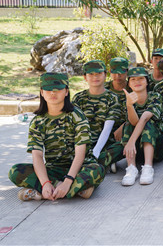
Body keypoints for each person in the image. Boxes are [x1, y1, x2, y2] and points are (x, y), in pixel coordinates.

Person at [8, 73, 105, 201]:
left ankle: (43, 193)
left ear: (66, 92)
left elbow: (80, 154)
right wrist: (45, 183)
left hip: (80, 167)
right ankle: (72, 190)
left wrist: (68, 181)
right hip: (53, 169)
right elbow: (37, 155)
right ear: (42, 92)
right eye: (48, 89)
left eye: (58, 89)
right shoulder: (37, 122)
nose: (53, 93)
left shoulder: (77, 116)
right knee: (15, 171)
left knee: (97, 170)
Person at [120, 67, 163, 186]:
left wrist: (131, 141)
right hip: (138, 149)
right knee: (128, 125)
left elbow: (144, 118)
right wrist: (129, 105)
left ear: (147, 81)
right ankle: (131, 168)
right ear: (129, 84)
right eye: (133, 79)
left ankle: (148, 167)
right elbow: (133, 122)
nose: (137, 82)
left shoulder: (155, 96)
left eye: (141, 78)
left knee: (148, 123)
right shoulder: (127, 100)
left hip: (159, 148)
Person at [72, 60, 124, 173]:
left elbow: (108, 128)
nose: (95, 77)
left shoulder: (112, 98)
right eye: (91, 74)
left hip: (105, 144)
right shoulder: (78, 98)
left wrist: (96, 152)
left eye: (99, 73)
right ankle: (102, 162)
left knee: (124, 145)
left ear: (105, 75)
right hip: (83, 144)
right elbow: (74, 127)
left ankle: (90, 162)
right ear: (85, 77)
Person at [105, 57, 129, 163]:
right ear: (110, 71)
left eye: (121, 72)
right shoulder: (104, 89)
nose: (118, 76)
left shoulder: (133, 87)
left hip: (128, 128)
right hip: (107, 128)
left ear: (127, 72)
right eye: (114, 72)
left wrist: (124, 125)